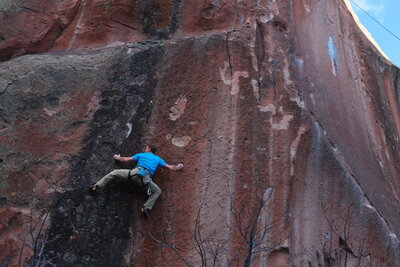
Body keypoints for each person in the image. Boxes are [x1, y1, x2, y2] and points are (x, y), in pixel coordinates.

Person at [89, 145, 183, 218]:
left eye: (146, 148)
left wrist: (117, 157)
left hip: (133, 174)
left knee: (114, 173)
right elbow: (170, 167)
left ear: (149, 149)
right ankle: (146, 207)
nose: (145, 149)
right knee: (157, 191)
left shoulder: (141, 155)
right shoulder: (158, 159)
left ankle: (96, 186)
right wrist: (179, 167)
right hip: (145, 180)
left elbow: (126, 159)